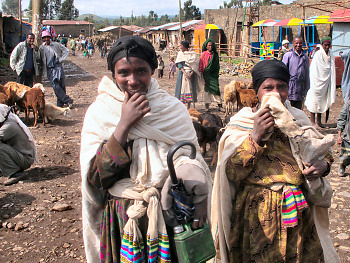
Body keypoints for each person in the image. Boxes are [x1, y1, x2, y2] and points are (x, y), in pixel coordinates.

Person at [80, 36, 211, 263]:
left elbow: (192, 157)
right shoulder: (100, 112)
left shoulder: (172, 110)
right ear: (114, 74)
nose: (132, 80)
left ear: (152, 70)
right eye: (124, 73)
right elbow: (95, 180)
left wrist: (194, 181)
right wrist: (124, 125)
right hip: (121, 219)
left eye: (141, 71)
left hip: (168, 215)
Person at [211, 59, 340, 263]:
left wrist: (323, 166)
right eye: (268, 87)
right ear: (256, 91)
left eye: (282, 87)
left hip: (297, 214)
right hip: (256, 215)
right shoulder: (242, 124)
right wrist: (255, 136)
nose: (276, 93)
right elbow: (231, 173)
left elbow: (321, 151)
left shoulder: (297, 119)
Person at [0, 104, 37, 186]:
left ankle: (15, 172)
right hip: (20, 156)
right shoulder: (8, 123)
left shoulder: (9, 126)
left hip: (24, 159)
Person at [305, 36, 336, 128]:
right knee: (314, 100)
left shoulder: (331, 54)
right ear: (322, 45)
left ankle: (319, 122)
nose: (327, 47)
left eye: (328, 45)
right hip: (316, 82)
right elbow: (314, 70)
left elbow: (331, 68)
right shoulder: (318, 54)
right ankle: (312, 121)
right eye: (325, 45)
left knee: (322, 101)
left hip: (326, 82)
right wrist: (316, 82)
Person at [39, 30, 73, 108]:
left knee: (61, 84)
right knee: (55, 85)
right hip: (49, 68)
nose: (47, 39)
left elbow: (66, 51)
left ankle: (60, 103)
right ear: (43, 39)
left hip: (58, 66)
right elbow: (40, 57)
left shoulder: (56, 45)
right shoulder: (42, 47)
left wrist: (61, 59)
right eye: (45, 38)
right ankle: (67, 100)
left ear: (50, 37)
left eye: (48, 37)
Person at [282, 35, 310, 109]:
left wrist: (306, 89)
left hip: (300, 87)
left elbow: (307, 74)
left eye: (300, 43)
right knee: (288, 109)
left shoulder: (305, 57)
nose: (298, 45)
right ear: (293, 43)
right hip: (289, 86)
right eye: (296, 43)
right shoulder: (288, 55)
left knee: (298, 110)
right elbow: (283, 72)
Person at [175, 40, 201, 109]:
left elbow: (195, 65)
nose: (180, 47)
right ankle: (182, 107)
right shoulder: (180, 54)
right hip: (183, 74)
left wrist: (191, 73)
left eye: (181, 46)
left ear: (184, 46)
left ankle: (189, 107)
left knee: (191, 89)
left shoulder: (193, 54)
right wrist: (185, 73)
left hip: (191, 75)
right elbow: (179, 64)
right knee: (182, 89)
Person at [199, 38, 223, 112]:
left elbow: (217, 66)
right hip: (206, 75)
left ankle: (220, 106)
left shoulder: (215, 55)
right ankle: (207, 107)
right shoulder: (203, 54)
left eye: (211, 46)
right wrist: (202, 78)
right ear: (206, 46)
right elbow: (201, 66)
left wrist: (216, 74)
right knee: (207, 91)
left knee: (216, 90)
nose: (210, 47)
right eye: (209, 45)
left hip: (213, 76)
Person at [337, 99, 350, 177]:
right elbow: (341, 119)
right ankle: (343, 166)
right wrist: (339, 135)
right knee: (346, 156)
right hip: (348, 136)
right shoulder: (348, 104)